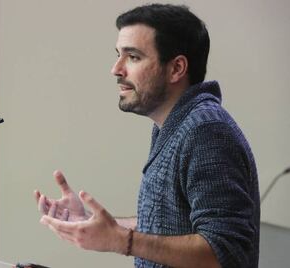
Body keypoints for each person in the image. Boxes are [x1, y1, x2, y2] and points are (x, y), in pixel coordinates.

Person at [34, 4, 260, 268]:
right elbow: (170, 225)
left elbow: (225, 252)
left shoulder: (206, 130)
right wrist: (93, 221)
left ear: (176, 68)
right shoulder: (176, 125)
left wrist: (121, 240)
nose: (116, 69)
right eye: (119, 55)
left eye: (133, 57)